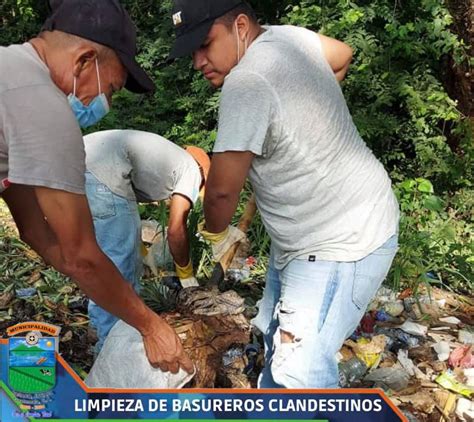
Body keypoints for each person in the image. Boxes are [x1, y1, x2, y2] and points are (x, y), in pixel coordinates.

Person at [170, 0, 400, 388]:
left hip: (339, 241)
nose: (198, 61)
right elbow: (342, 55)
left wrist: (215, 233)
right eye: (191, 50)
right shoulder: (287, 38)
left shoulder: (246, 81)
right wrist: (302, 120)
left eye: (205, 44)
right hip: (310, 232)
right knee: (274, 337)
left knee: (299, 373)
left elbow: (223, 194)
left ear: (240, 25)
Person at [0, 0, 192, 375]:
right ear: (85, 60)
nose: (104, 101)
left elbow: (36, 231)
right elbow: (80, 256)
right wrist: (152, 327)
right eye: (113, 87)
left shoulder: (11, 73)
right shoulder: (43, 107)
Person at [83, 129, 210, 349]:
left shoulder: (169, 158)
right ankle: (111, 347)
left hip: (81, 159)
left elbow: (125, 211)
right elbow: (176, 229)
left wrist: (138, 249)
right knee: (120, 271)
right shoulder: (191, 169)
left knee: (103, 260)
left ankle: (98, 326)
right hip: (102, 173)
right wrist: (186, 275)